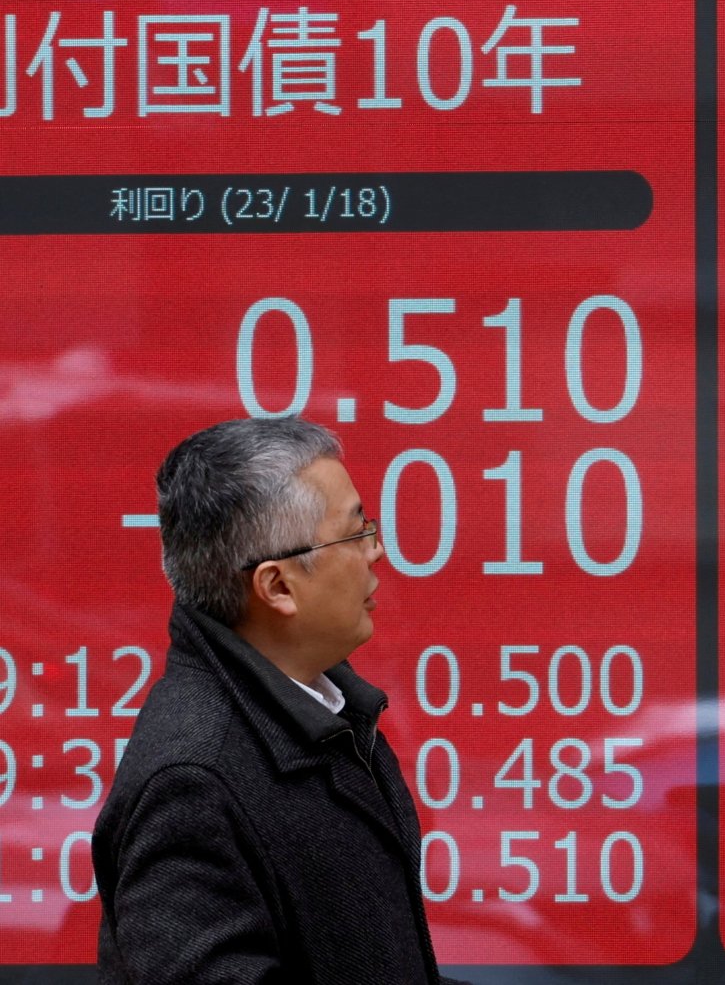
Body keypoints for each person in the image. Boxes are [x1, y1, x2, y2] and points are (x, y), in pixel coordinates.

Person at [93, 417, 467, 984]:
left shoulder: (325, 709)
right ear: (277, 587)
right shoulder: (192, 780)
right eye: (354, 532)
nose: (377, 550)